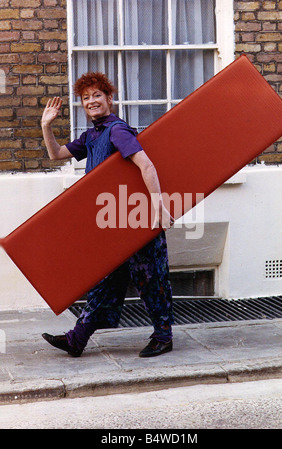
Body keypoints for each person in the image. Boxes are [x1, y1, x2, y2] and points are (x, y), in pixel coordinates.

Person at [41, 72, 174, 358]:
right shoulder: (92, 135)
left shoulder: (117, 130)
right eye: (86, 98)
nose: (91, 101)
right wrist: (46, 126)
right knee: (104, 282)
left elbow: (147, 166)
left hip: (136, 219)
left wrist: (159, 208)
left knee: (151, 279)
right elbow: (56, 155)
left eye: (97, 95)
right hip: (112, 222)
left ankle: (164, 336)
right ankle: (77, 339)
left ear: (109, 99)